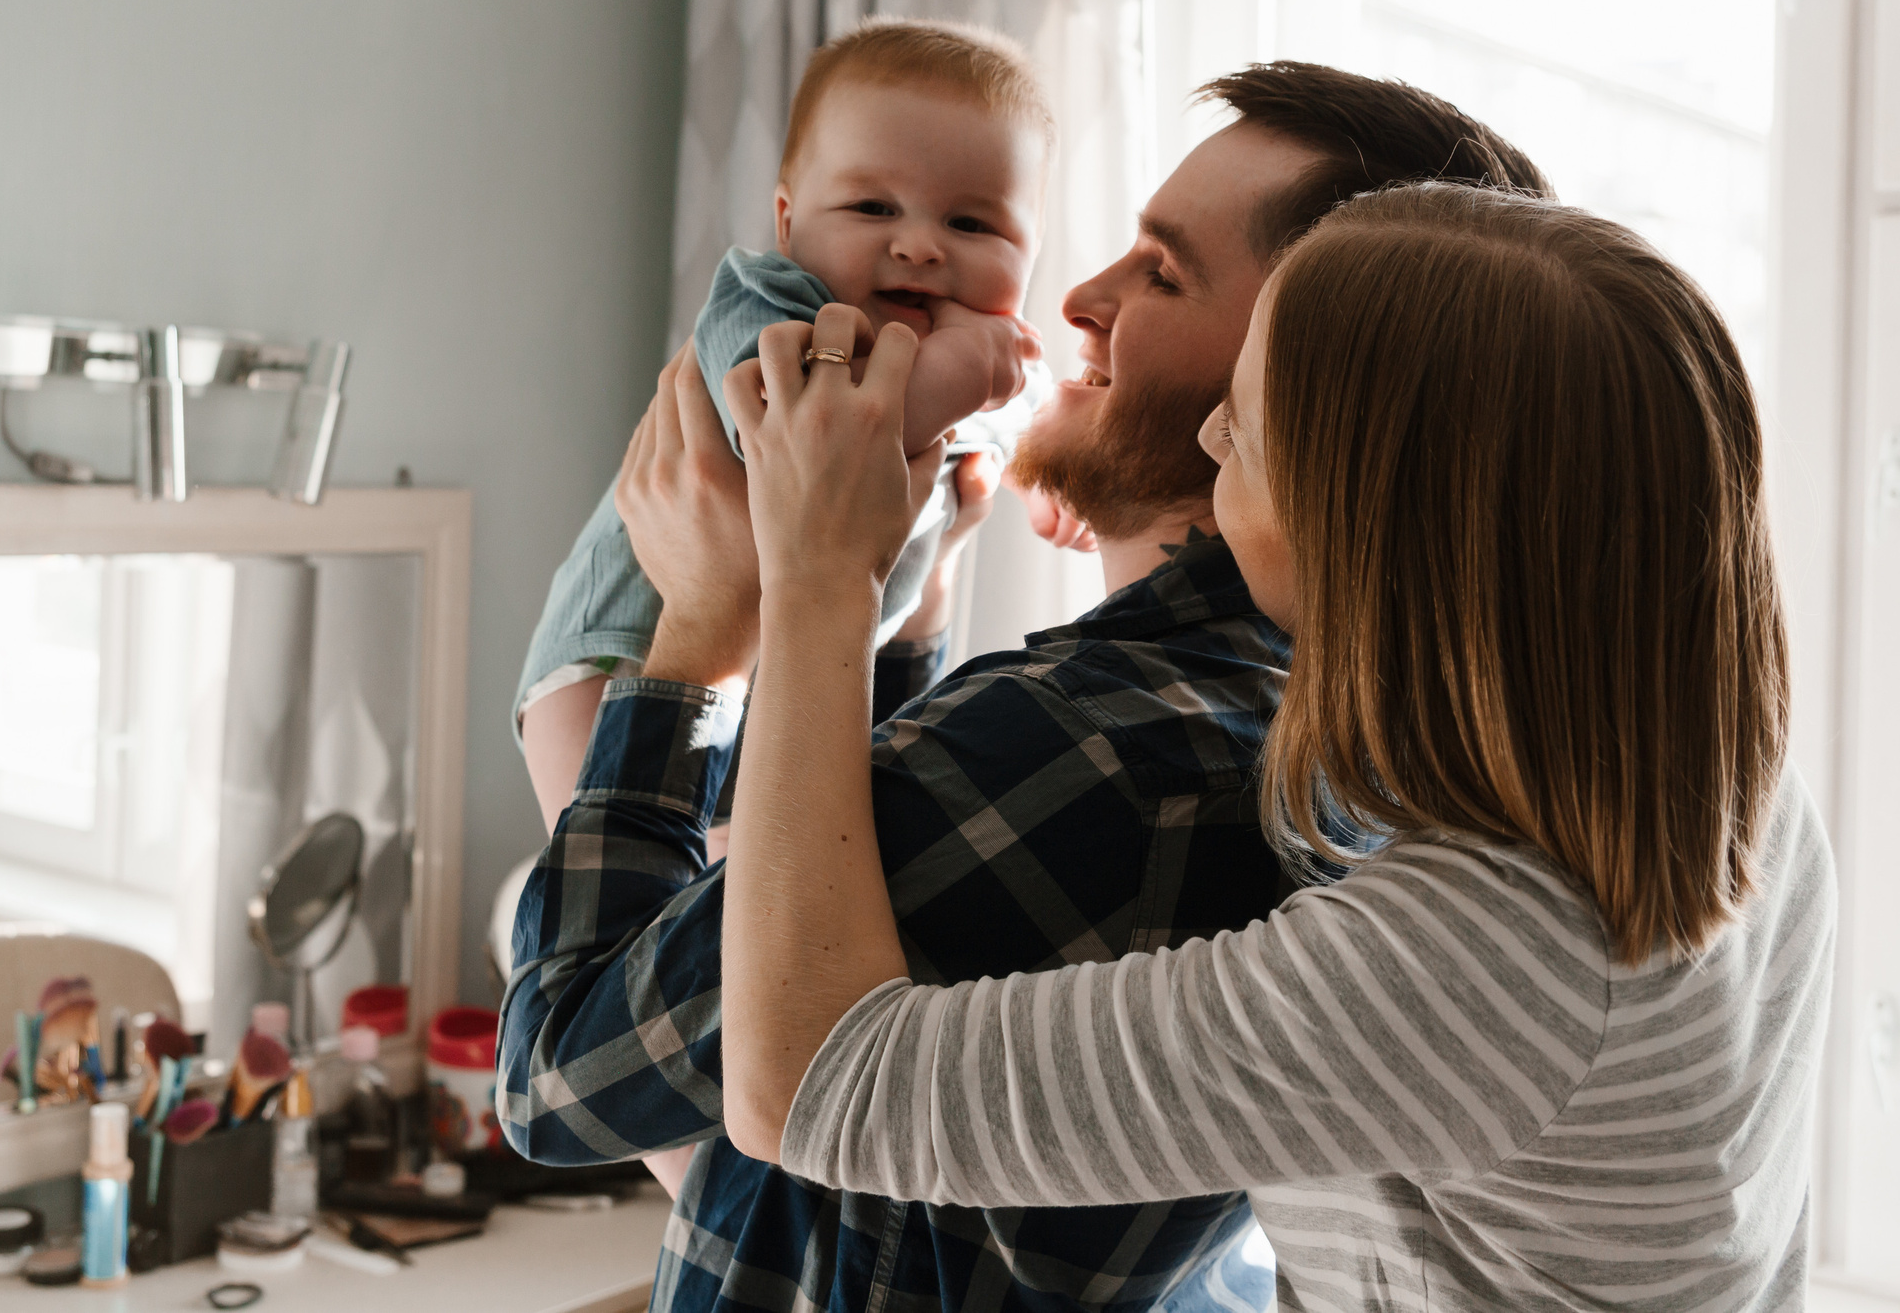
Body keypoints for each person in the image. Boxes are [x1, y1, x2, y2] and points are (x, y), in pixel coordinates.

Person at [499, 65, 1549, 1313]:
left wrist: (700, 640)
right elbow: (872, 882)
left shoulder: (1093, 755)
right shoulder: (1328, 729)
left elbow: (556, 1079)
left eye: (1162, 273)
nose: (1080, 299)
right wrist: (904, 613)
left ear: (1312, 381)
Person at [714, 184, 1837, 1313]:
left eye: (1243, 428)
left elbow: (809, 1082)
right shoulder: (1702, 767)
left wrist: (816, 576)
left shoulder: (1482, 957)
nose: (1207, 438)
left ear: (1366, 527)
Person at [513, 18, 1050, 834]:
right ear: (789, 221)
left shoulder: (992, 354)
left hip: (771, 690)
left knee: (729, 919)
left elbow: (1026, 438)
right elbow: (822, 440)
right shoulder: (769, 302)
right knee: (620, 906)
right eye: (874, 206)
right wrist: (971, 372)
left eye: (971, 225)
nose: (918, 246)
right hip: (618, 664)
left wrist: (1054, 476)